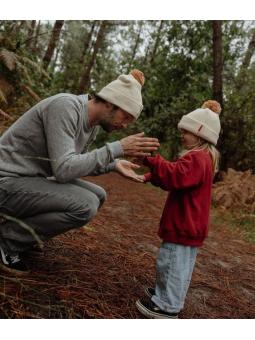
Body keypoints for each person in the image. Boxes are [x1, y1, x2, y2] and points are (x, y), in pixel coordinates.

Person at [0, 69, 159, 275]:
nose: (125, 124)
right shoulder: (65, 106)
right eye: (125, 116)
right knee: (85, 205)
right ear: (110, 102)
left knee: (99, 195)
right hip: (6, 180)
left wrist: (114, 164)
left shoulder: (91, 125)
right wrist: (115, 149)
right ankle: (7, 241)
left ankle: (25, 234)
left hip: (26, 180)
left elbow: (76, 164)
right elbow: (64, 170)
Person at [135, 100, 221, 319]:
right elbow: (174, 178)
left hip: (184, 224)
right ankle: (167, 295)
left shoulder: (197, 158)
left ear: (201, 134)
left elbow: (174, 176)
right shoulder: (203, 159)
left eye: (187, 132)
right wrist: (149, 175)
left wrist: (151, 161)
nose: (182, 135)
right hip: (189, 225)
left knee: (172, 264)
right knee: (177, 266)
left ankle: (167, 306)